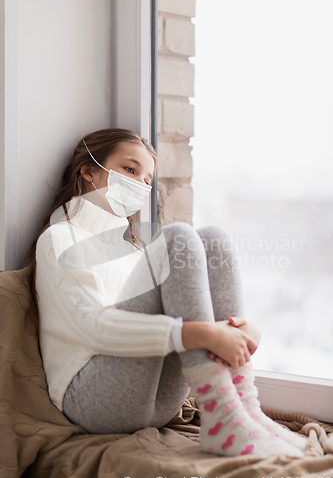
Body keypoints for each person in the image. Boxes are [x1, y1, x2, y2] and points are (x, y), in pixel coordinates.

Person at [28, 128, 307, 457]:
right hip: (92, 400)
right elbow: (93, 329)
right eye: (130, 170)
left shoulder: (133, 251)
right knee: (178, 239)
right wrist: (199, 333)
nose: (140, 185)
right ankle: (225, 415)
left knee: (214, 239)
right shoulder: (60, 239)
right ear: (88, 170)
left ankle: (242, 407)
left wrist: (239, 329)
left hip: (159, 402)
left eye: (147, 180)